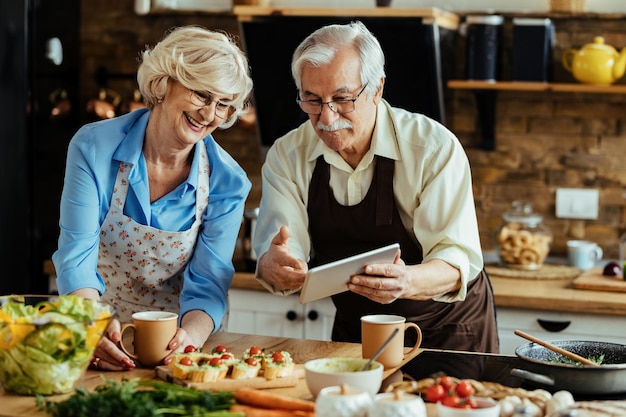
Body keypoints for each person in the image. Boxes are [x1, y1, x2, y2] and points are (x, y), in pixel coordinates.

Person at [253, 21, 499, 353]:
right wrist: (275, 265)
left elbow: (456, 260)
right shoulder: (287, 155)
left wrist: (407, 281)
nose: (326, 118)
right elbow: (281, 250)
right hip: (358, 332)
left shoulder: (433, 148)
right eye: (312, 100)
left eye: (342, 99)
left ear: (377, 88)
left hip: (447, 332)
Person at [52, 25, 253, 370]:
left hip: (177, 347)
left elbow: (208, 284)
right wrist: (90, 325)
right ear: (163, 83)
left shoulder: (227, 182)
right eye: (202, 95)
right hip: (100, 330)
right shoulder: (93, 148)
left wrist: (189, 339)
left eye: (223, 105)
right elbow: (76, 255)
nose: (209, 115)